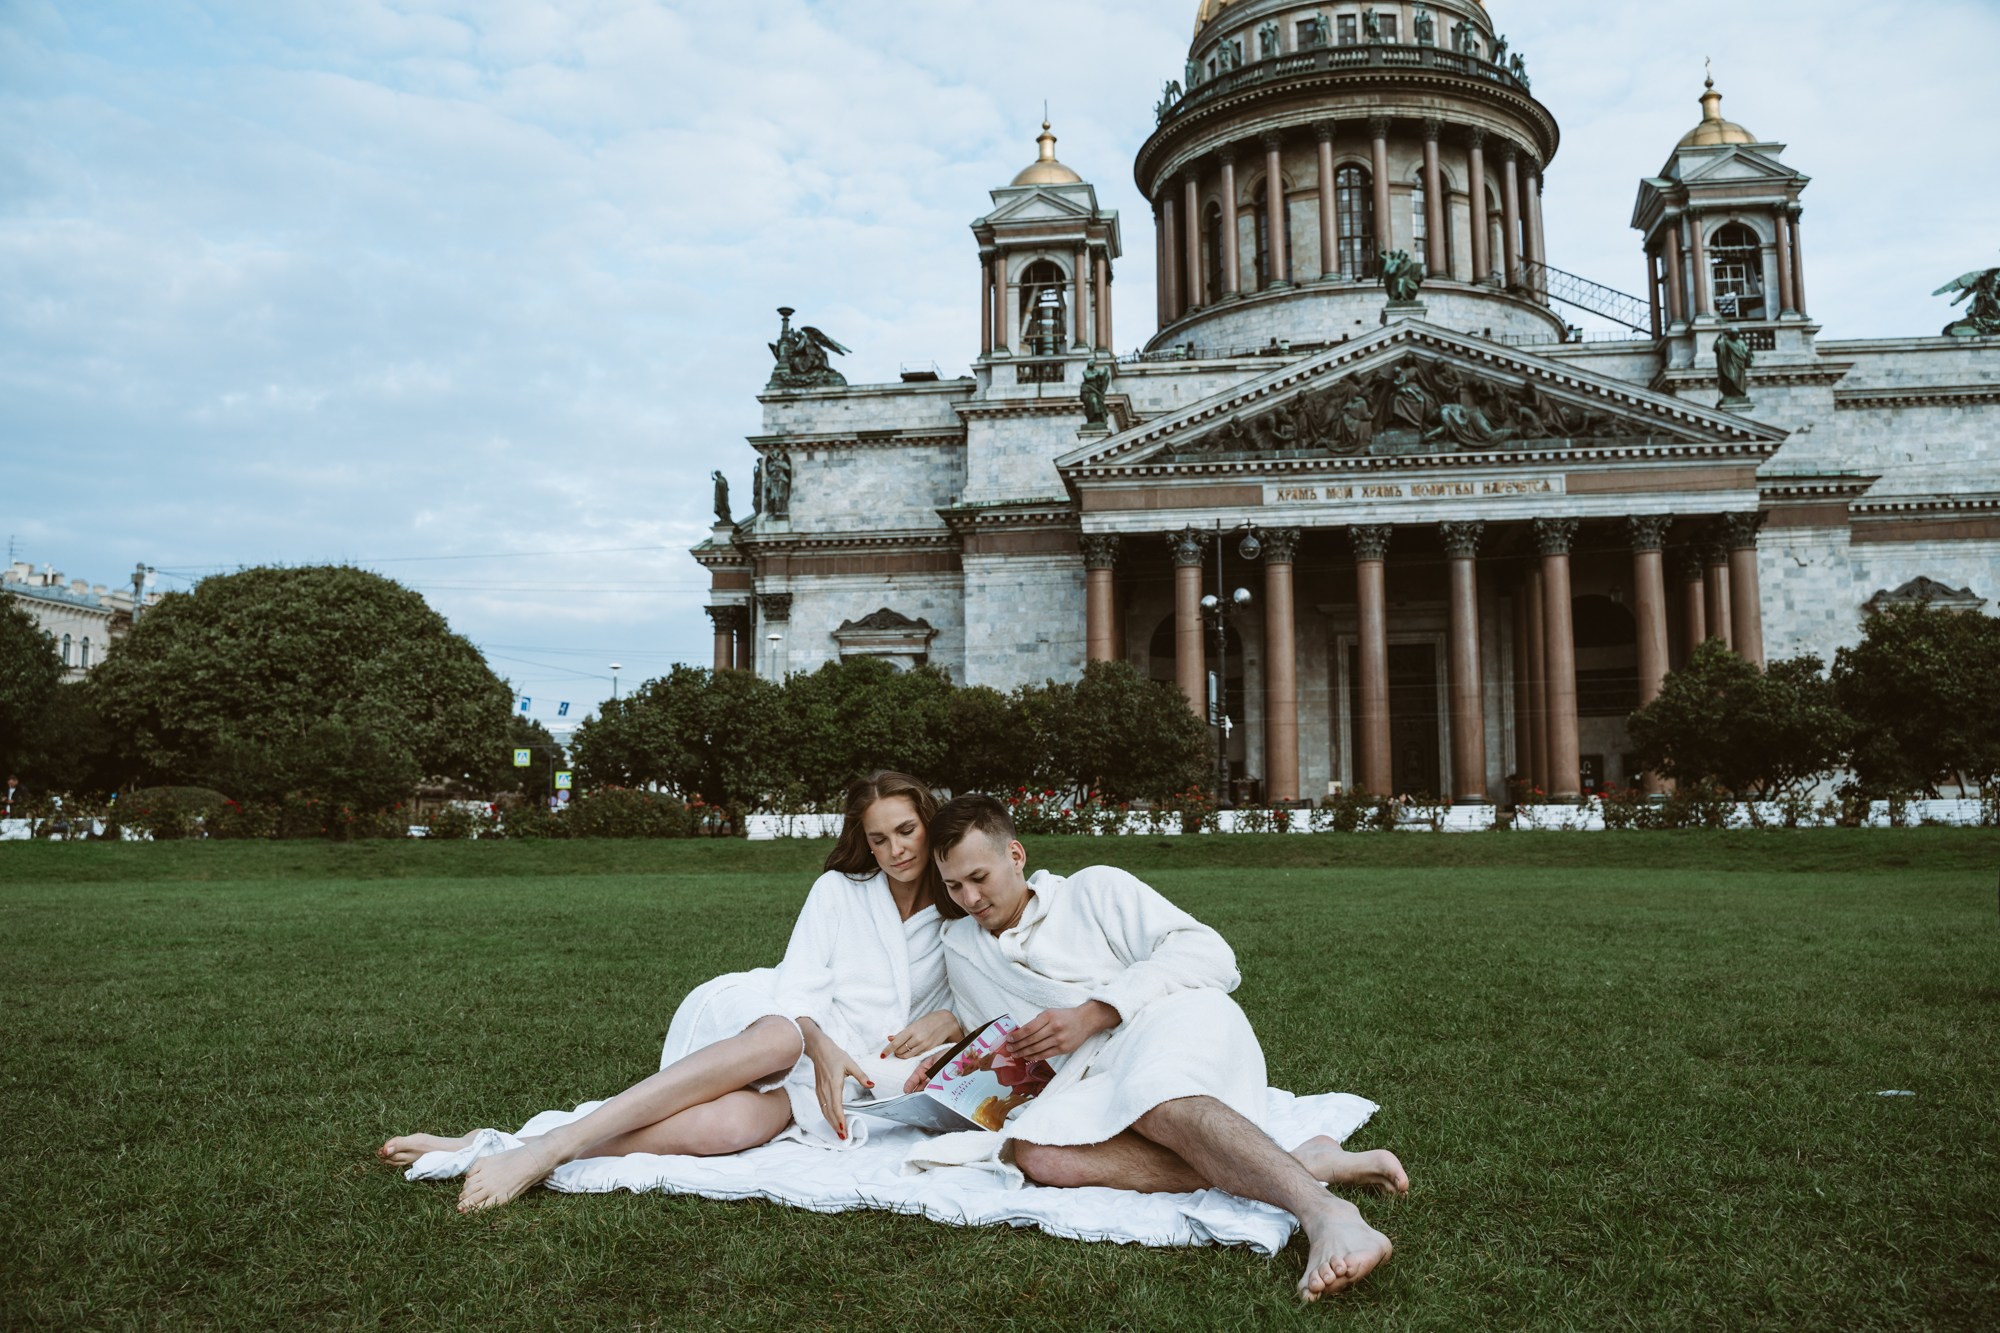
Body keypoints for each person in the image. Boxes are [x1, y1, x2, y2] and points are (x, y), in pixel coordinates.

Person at [379, 771, 963, 1212]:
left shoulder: (959, 904)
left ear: (929, 823)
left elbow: (985, 996)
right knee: (783, 1038)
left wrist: (949, 1019)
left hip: (851, 1070)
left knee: (731, 1130)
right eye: (880, 839)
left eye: (906, 831)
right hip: (782, 1022)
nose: (896, 851)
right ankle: (549, 1148)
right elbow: (796, 990)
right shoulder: (839, 889)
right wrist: (821, 1045)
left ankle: (490, 1145)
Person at [910, 795, 1403, 1302]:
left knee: (1154, 1096)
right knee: (1039, 1155)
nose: (969, 898)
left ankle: (1327, 1214)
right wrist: (948, 1063)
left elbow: (1211, 954)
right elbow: (993, 1032)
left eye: (979, 878)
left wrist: (1096, 1012)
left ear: (1015, 855)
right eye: (954, 886)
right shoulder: (962, 947)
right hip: (1091, 1074)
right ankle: (1298, 1159)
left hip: (1169, 1022)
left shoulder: (1093, 890)